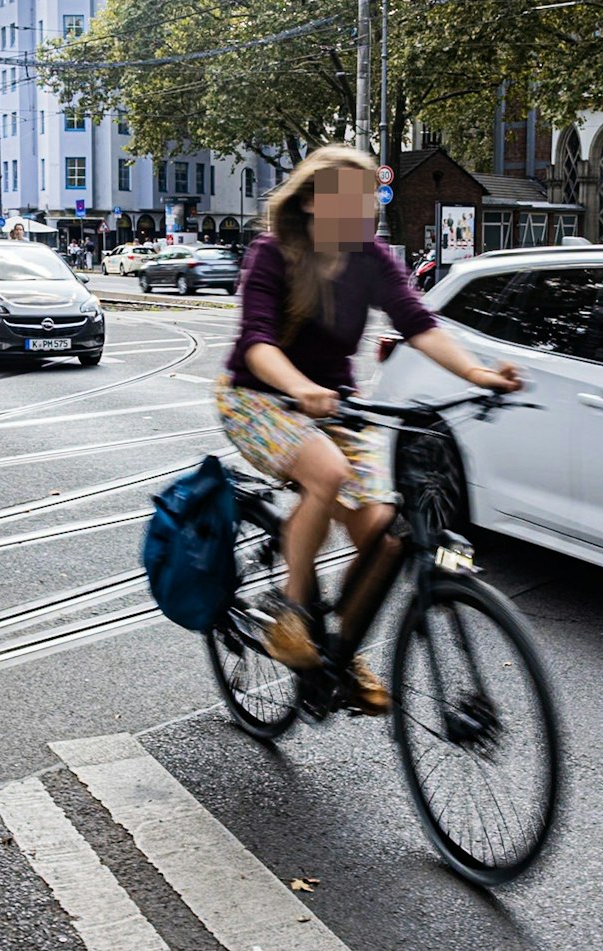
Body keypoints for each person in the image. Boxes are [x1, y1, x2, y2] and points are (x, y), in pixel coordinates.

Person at [214, 145, 521, 715]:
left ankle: (340, 651)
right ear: (312, 202)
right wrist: (299, 386)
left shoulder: (370, 257)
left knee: (385, 532)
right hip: (257, 398)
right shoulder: (273, 253)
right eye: (350, 199)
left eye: (369, 199)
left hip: (332, 407)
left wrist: (478, 374)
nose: (366, 210)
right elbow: (256, 341)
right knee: (327, 473)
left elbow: (418, 323)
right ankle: (291, 617)